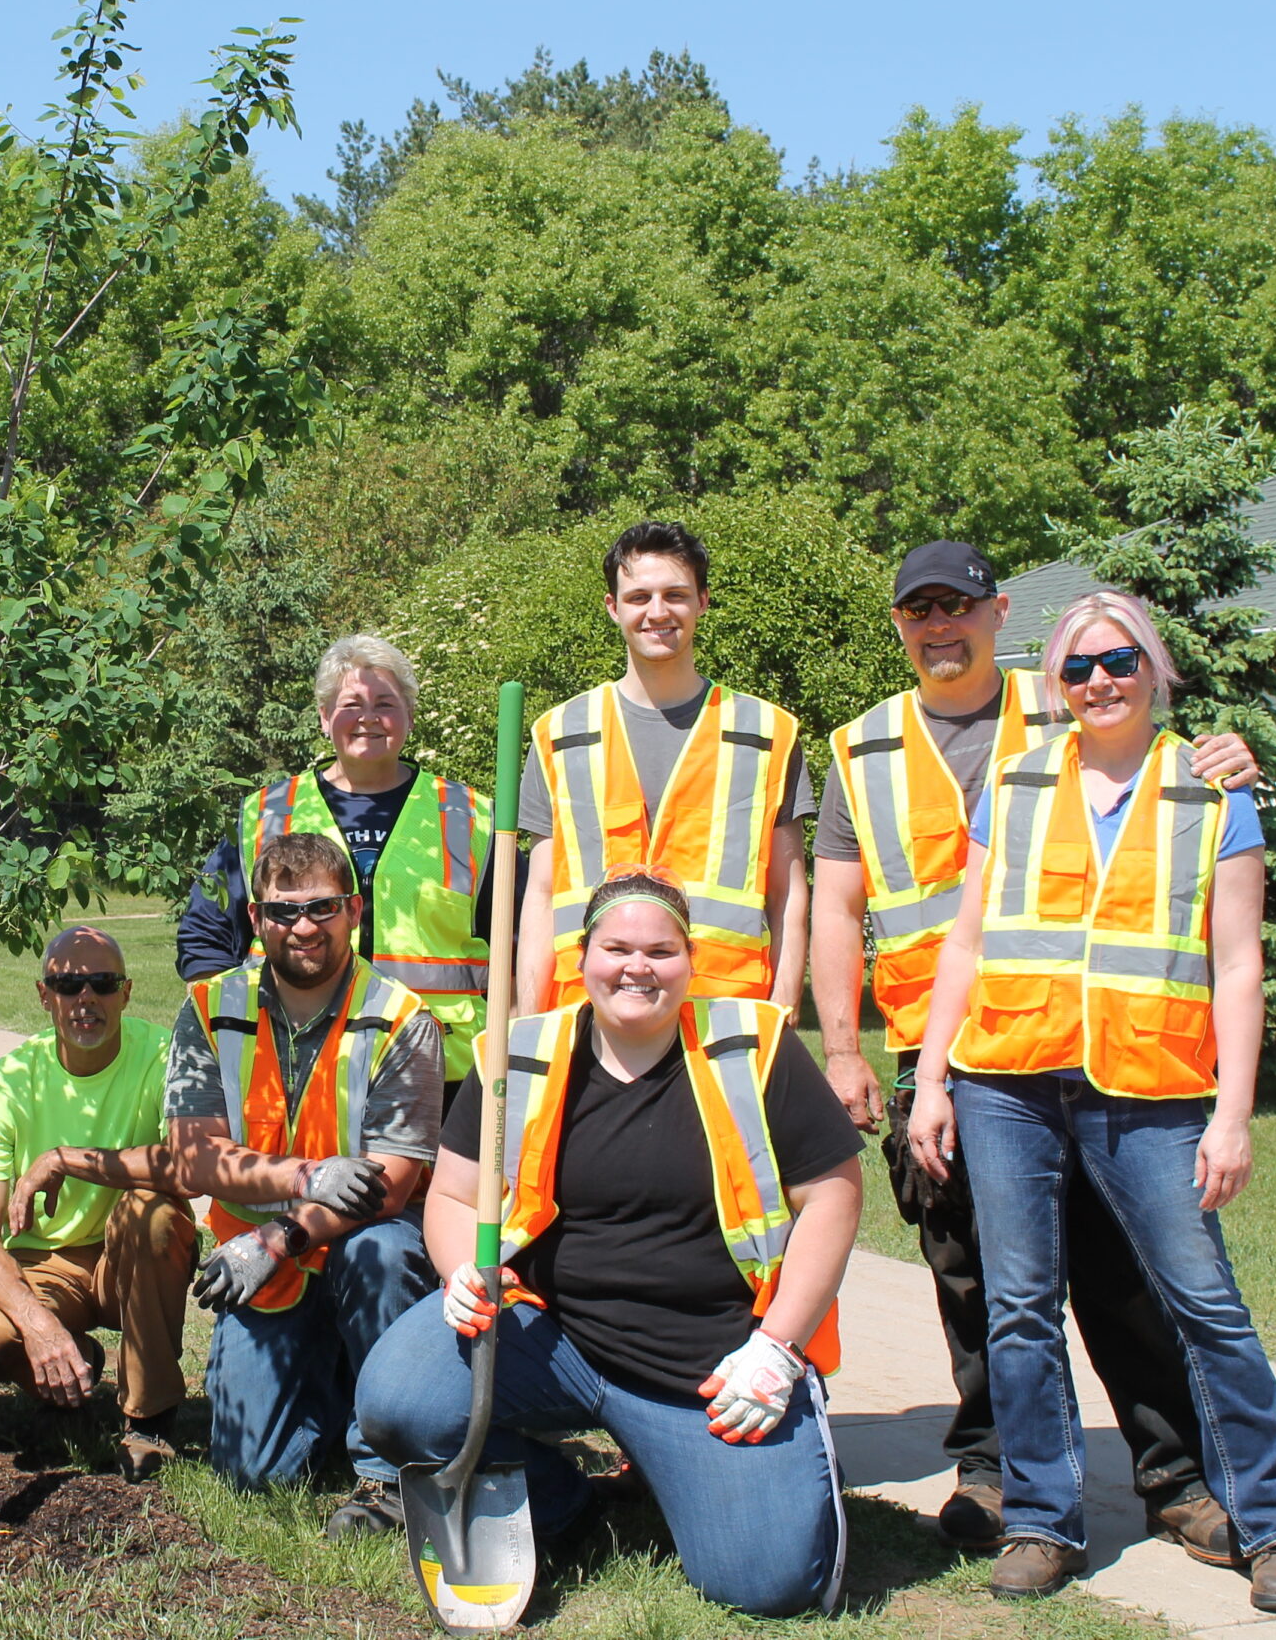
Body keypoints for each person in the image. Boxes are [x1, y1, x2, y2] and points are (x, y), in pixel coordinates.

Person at [811, 540, 1257, 1555]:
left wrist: (1220, 751)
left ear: (997, 611)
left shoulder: (1067, 696)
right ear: (897, 624)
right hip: (942, 1054)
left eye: (957, 607)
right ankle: (996, 1471)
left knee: (1120, 1275)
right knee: (974, 1280)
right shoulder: (862, 748)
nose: (938, 626)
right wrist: (845, 1051)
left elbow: (1164, 764)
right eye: (917, 609)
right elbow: (838, 909)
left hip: (1079, 1049)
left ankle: (1174, 1477)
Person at [906, 590, 1276, 1613]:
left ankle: (1274, 1526)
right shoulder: (1009, 786)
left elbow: (1237, 965)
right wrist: (930, 1076)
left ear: (1155, 669)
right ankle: (1044, 1523)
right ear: (1056, 682)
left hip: (1152, 1090)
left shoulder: (1212, 788)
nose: (1099, 681)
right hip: (1006, 1079)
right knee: (1018, 1312)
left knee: (1205, 1307)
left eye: (1119, 662)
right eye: (1078, 666)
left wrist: (1231, 1114)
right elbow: (962, 941)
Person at [358, 869, 862, 1619]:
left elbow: (834, 1196)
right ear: (583, 955)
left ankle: (711, 1463)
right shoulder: (519, 1053)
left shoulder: (752, 1049)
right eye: (616, 946)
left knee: (769, 1580)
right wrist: (462, 1266)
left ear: (689, 959)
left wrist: (778, 1349)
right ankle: (561, 1503)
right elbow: (455, 1196)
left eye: (659, 950)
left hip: (708, 1367)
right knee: (399, 1398)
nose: (637, 966)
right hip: (553, 1340)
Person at [169, 831, 443, 1538]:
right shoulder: (208, 1006)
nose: (304, 926)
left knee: (381, 1252)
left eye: (323, 907)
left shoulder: (404, 1018)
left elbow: (390, 1182)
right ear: (256, 921)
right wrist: (309, 1175)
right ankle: (344, 1389)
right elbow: (195, 1158)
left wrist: (280, 1233)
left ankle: (388, 1473)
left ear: (354, 911)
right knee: (253, 1472)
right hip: (264, 1274)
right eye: (283, 911)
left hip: (359, 1246)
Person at [178, 635, 504, 1085]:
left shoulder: (472, 817)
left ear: (409, 716)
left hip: (442, 1073)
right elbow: (204, 937)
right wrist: (224, 1033)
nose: (368, 718)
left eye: (385, 704)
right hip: (291, 1068)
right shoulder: (270, 814)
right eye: (352, 704)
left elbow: (523, 943)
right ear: (324, 716)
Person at [515, 520, 812, 1014]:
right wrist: (528, 1018)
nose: (657, 612)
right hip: (588, 1016)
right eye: (638, 597)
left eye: (675, 594)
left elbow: (788, 893)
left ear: (702, 602)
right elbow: (541, 894)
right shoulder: (560, 734)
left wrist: (783, 1009)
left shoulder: (767, 733)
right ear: (613, 608)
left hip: (725, 1015)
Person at [0, 926, 196, 1479]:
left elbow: (190, 1171)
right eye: (68, 985)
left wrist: (69, 1158)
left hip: (126, 1251)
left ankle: (149, 1419)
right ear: (45, 996)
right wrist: (38, 1325)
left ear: (128, 992)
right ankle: (69, 1364)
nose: (85, 999)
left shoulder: (165, 1057)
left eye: (102, 983)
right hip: (43, 1263)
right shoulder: (4, 1085)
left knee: (153, 1214)